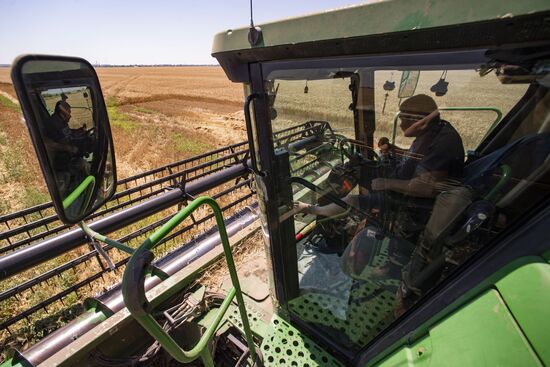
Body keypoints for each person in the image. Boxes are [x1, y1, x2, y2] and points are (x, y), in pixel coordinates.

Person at [295, 94, 465, 216]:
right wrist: (394, 149)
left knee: (351, 200)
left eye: (404, 118)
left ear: (419, 120)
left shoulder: (443, 142)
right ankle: (353, 209)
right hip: (401, 179)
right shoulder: (433, 132)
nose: (401, 123)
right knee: (353, 168)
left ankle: (311, 209)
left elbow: (427, 188)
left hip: (410, 203)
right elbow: (419, 158)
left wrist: (387, 183)